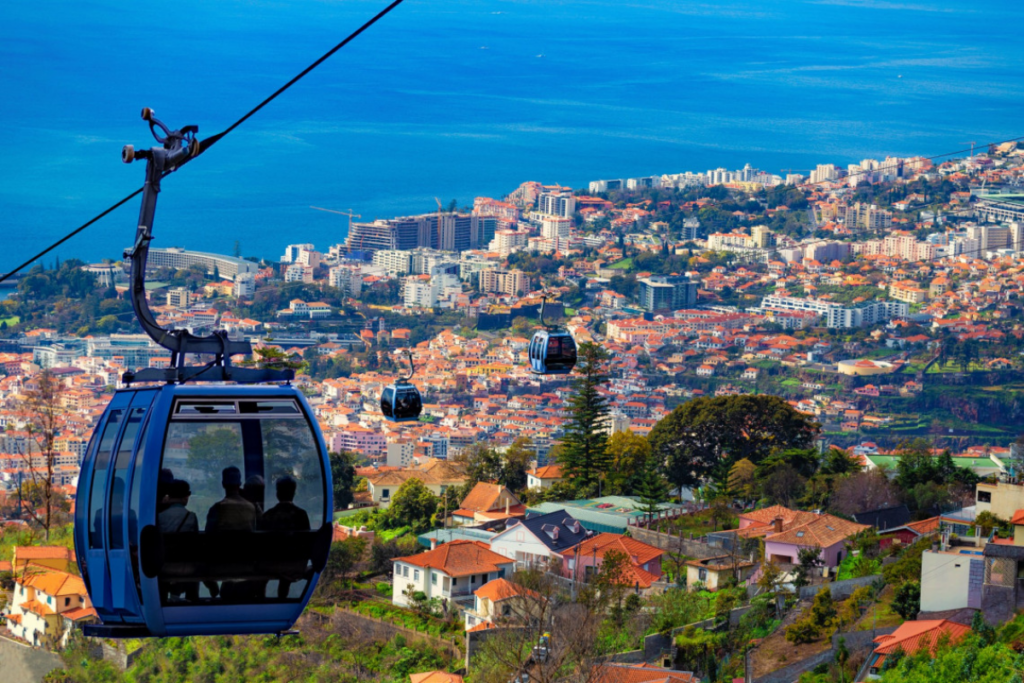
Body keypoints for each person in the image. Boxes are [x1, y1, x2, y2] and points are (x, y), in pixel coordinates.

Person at [205, 467, 258, 601]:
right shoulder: (251, 508)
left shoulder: (217, 508)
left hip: (221, 564)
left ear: (223, 484)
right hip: (246, 563)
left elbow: (207, 537)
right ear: (239, 484)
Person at [261, 476, 311, 599]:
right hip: (295, 566)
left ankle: (261, 599)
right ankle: (282, 599)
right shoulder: (301, 514)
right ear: (293, 493)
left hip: (271, 565)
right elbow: (307, 542)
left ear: (277, 493)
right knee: (288, 560)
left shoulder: (269, 515)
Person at [158, 479, 199, 602]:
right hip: (186, 568)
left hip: (163, 567)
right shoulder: (191, 517)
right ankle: (193, 600)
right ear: (187, 496)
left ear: (168, 496)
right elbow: (196, 545)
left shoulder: (160, 517)